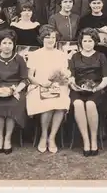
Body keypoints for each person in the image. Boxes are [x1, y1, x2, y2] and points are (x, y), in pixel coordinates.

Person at [26, 25, 71, 153]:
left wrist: (64, 77)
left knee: (61, 102)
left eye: (52, 37)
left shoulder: (62, 55)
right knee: (48, 103)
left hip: (57, 85)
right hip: (38, 85)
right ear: (42, 39)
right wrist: (42, 83)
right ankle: (44, 135)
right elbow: (30, 76)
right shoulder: (35, 54)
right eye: (47, 37)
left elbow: (64, 73)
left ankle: (52, 137)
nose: (50, 40)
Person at [68, 28, 107, 157]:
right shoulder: (75, 57)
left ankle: (93, 140)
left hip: (96, 89)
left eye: (90, 41)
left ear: (95, 42)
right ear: (81, 42)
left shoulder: (101, 56)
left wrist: (97, 88)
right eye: (85, 41)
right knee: (79, 104)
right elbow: (71, 77)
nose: (87, 43)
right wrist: (74, 86)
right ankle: (85, 140)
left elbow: (106, 78)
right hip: (78, 89)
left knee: (91, 104)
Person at [0, 29, 29, 155]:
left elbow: (25, 79)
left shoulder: (19, 59)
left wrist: (16, 90)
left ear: (14, 45)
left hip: (15, 88)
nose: (7, 46)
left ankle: (8, 139)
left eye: (10, 43)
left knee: (13, 105)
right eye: (4, 43)